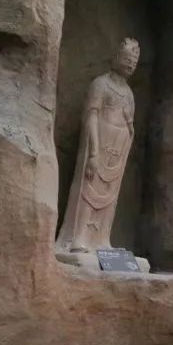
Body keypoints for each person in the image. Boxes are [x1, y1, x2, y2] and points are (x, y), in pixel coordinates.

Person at [56, 38, 139, 252]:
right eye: (128, 59)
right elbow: (91, 116)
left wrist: (128, 129)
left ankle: (101, 239)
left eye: (134, 62)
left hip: (117, 150)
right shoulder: (101, 84)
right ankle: (78, 237)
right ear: (117, 57)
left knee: (110, 195)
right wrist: (93, 152)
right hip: (98, 144)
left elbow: (130, 125)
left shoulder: (129, 94)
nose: (131, 65)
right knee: (88, 188)